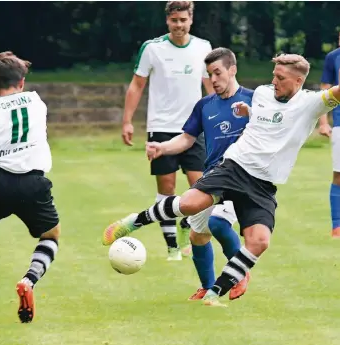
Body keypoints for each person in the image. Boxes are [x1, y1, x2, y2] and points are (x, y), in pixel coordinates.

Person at [104, 53, 340, 306]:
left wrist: (247, 110)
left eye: (280, 78)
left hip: (263, 184)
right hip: (235, 166)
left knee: (259, 241)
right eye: (273, 75)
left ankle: (215, 293)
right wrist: (248, 111)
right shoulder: (262, 93)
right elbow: (264, 116)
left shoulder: (311, 103)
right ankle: (133, 222)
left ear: (298, 80)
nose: (274, 81)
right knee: (190, 205)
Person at [145, 48, 253, 301]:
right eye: (209, 74)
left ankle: (240, 271)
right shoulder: (205, 105)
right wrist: (163, 147)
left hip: (243, 178)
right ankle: (207, 287)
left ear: (232, 70)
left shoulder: (253, 99)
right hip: (213, 176)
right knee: (198, 233)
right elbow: (186, 139)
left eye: (218, 73)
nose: (213, 79)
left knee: (217, 223)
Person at [121, 1, 214, 260]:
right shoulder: (152, 48)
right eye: (174, 21)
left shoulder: (203, 48)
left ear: (191, 20)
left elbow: (210, 86)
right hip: (161, 129)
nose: (179, 25)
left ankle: (187, 227)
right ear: (168, 21)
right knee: (167, 189)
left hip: (194, 129)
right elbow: (137, 85)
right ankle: (172, 246)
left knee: (201, 188)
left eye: (183, 20)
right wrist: (127, 121)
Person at [0, 51, 60, 322]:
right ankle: (29, 280)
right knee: (51, 236)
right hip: (34, 183)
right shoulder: (36, 102)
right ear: (22, 82)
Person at [318, 32, 340, 238]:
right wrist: (324, 122)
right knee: (339, 175)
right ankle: (337, 226)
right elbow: (325, 93)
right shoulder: (333, 57)